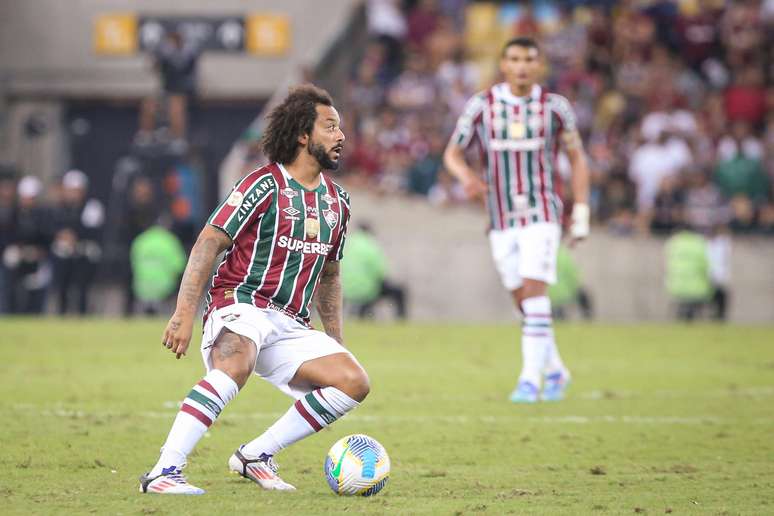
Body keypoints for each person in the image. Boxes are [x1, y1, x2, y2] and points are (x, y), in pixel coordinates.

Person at [139, 85, 368, 495]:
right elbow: (209, 242)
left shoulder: (339, 202)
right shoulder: (262, 185)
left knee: (353, 381)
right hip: (240, 303)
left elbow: (330, 275)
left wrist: (334, 340)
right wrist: (183, 314)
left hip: (290, 322)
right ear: (303, 134)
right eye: (330, 127)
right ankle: (164, 471)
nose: (341, 137)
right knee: (235, 364)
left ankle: (255, 455)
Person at [443, 37, 590, 403]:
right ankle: (556, 369)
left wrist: (582, 211)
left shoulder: (555, 108)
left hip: (542, 211)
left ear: (539, 65)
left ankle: (529, 381)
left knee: (536, 295)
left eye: (529, 59)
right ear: (503, 65)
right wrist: (466, 178)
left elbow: (577, 159)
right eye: (514, 59)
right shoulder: (482, 105)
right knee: (522, 301)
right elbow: (453, 153)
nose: (521, 65)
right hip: (500, 216)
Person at [51, 170, 105, 315]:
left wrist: (74, 236)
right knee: (62, 285)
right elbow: (52, 228)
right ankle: (61, 314)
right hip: (65, 253)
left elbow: (92, 231)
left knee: (82, 288)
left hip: (84, 252)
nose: (74, 194)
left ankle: (82, 315)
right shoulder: (59, 208)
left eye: (77, 190)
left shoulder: (92, 207)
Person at [341, 222, 407, 320]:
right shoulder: (371, 245)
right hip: (366, 290)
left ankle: (362, 313)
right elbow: (380, 273)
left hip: (345, 290)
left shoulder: (346, 244)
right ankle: (401, 320)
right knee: (399, 292)